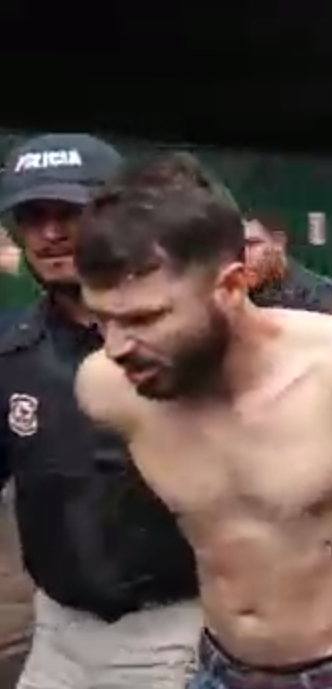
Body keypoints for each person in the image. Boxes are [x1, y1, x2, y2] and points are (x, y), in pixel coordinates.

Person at [70, 153, 332, 689]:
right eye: (101, 319)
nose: (116, 346)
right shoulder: (107, 389)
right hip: (217, 669)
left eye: (145, 318)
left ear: (231, 286)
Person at [0, 134, 204, 689]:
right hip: (58, 637)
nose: (50, 233)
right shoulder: (10, 353)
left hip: (176, 635)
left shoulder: (192, 342)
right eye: (31, 216)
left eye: (69, 211)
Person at [242, 212, 332, 312]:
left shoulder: (320, 293)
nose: (244, 254)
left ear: (278, 241)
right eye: (239, 245)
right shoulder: (238, 294)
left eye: (252, 244)